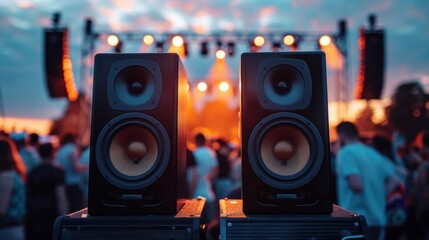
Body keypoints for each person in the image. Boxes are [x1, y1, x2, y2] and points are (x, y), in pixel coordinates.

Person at [335, 122, 399, 240]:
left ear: (342, 136)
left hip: (356, 220)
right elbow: (394, 180)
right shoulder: (372, 152)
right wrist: (378, 195)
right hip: (377, 219)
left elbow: (357, 184)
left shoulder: (346, 153)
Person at [26, 142, 68, 240]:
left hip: (34, 213)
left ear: (39, 154)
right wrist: (65, 216)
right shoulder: (57, 172)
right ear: (53, 153)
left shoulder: (32, 172)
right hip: (51, 213)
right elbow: (61, 196)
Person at [0, 137, 26, 240]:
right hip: (15, 229)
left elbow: (1, 210)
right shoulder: (14, 174)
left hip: (7, 231)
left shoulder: (6, 177)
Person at [55, 134, 88, 212]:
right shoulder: (72, 150)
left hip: (65, 183)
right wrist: (88, 165)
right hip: (74, 184)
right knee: (76, 209)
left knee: (69, 207)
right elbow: (77, 168)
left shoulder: (60, 150)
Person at [192, 132, 218, 225]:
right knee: (210, 223)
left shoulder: (195, 153)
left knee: (197, 224)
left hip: (196, 194)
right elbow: (215, 170)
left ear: (196, 141)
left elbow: (193, 175)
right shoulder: (211, 152)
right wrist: (208, 180)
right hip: (209, 193)